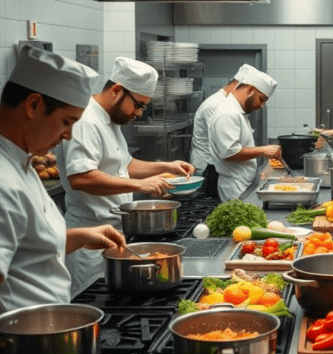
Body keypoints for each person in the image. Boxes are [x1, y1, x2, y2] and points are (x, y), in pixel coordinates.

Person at [0, 46, 126, 312]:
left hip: (47, 329)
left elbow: (28, 252)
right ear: (33, 105)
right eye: (67, 122)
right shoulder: (3, 179)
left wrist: (79, 236)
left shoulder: (21, 163)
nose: (68, 135)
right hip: (23, 341)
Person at [58, 57, 195, 296]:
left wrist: (167, 166)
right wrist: (140, 184)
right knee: (92, 302)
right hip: (87, 239)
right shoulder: (86, 121)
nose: (140, 113)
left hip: (112, 232)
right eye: (139, 105)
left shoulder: (109, 121)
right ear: (116, 90)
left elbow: (125, 165)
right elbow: (81, 178)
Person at [208, 66, 281, 200]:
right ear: (250, 90)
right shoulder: (227, 113)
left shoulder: (237, 112)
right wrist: (263, 150)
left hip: (242, 183)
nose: (261, 105)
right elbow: (229, 153)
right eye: (262, 99)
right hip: (235, 187)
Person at [190, 64, 251, 198]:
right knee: (211, 208)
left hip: (214, 165)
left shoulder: (226, 104)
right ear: (236, 86)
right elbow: (225, 144)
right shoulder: (216, 106)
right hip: (209, 167)